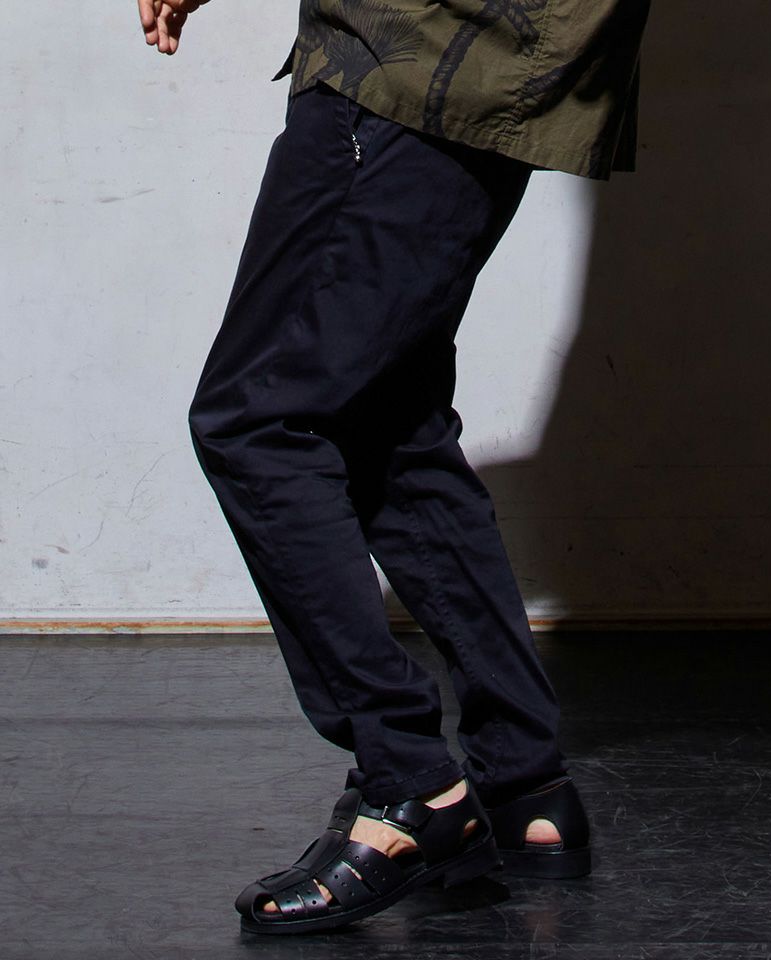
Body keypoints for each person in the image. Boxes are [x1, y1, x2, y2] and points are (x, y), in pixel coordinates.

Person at [138, 0, 650, 936]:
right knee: (389, 422)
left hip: (415, 50)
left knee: (259, 417)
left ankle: (412, 789)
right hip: (503, 55)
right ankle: (522, 783)